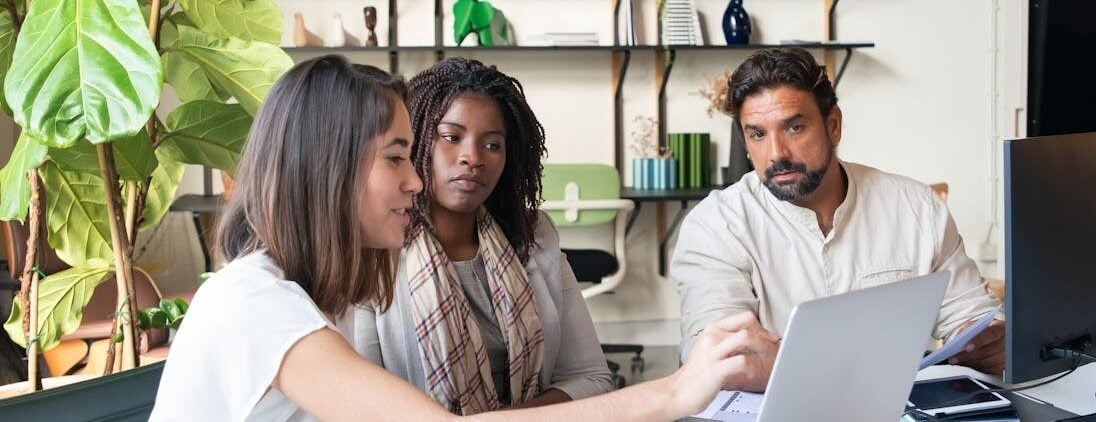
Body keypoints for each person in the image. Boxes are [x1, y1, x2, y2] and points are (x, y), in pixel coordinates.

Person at [152, 55, 769, 421]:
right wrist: (673, 393)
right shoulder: (257, 303)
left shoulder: (311, 294)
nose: (416, 178)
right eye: (398, 156)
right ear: (330, 167)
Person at [670, 48, 1005, 392]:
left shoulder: (916, 207)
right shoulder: (715, 226)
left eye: (795, 127)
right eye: (758, 134)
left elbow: (973, 314)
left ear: (833, 125)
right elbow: (719, 357)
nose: (777, 154)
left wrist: (985, 340)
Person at [349, 57, 611, 412]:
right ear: (415, 141)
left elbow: (590, 377)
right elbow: (361, 406)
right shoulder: (375, 249)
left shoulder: (534, 237)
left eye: (492, 145)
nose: (472, 157)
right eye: (451, 137)